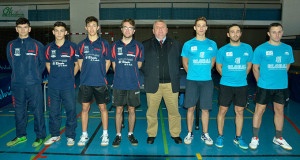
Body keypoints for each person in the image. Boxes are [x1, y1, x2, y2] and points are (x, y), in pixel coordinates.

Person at [249, 23, 294, 150]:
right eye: (274, 32)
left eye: (279, 32)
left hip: (281, 87)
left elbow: (287, 65)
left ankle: (278, 137)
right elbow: (255, 68)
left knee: (280, 111)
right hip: (264, 86)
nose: (277, 34)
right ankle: (255, 138)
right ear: (268, 34)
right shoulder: (260, 49)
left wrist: (278, 77)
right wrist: (260, 83)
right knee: (259, 111)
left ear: (282, 32)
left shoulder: (287, 48)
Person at [6, 17, 46, 147]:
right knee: (19, 112)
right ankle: (20, 136)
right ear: (16, 29)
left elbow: (42, 63)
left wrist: (35, 76)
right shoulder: (11, 45)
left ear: (29, 28)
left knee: (38, 111)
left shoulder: (37, 45)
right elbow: (11, 62)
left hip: (34, 84)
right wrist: (20, 76)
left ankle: (40, 137)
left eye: (25, 27)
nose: (23, 30)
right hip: (17, 85)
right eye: (20, 27)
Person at [142, 20, 182, 144]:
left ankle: (175, 134)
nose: (160, 30)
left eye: (162, 27)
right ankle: (151, 134)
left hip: (171, 84)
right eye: (157, 28)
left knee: (174, 111)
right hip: (153, 83)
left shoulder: (176, 44)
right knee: (151, 112)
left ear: (167, 30)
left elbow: (180, 62)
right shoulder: (145, 44)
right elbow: (142, 63)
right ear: (153, 31)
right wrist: (150, 73)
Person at [215, 24, 253, 149]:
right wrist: (227, 77)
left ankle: (238, 137)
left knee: (239, 111)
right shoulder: (222, 50)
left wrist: (241, 77)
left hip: (242, 85)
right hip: (226, 85)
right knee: (223, 110)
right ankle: (220, 136)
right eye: (232, 32)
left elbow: (249, 65)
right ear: (228, 34)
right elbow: (218, 67)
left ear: (240, 33)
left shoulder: (248, 48)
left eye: (237, 31)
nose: (235, 34)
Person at [181, 17, 217, 145]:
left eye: (203, 26)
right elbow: (185, 62)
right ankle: (189, 133)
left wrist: (205, 72)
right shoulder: (188, 44)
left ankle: (205, 134)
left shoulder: (212, 44)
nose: (201, 28)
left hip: (207, 81)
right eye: (199, 26)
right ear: (194, 28)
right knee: (191, 108)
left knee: (205, 109)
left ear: (206, 28)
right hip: (192, 81)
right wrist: (192, 73)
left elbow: (213, 61)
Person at [43, 22, 79, 146]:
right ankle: (55, 135)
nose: (59, 33)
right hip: (53, 86)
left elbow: (77, 65)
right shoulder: (48, 48)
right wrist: (54, 76)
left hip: (68, 86)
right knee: (53, 112)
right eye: (56, 30)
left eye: (61, 30)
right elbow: (48, 64)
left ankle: (70, 136)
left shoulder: (73, 47)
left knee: (71, 111)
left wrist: (70, 76)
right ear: (53, 32)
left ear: (66, 32)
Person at [109, 19, 144, 147]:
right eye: (125, 27)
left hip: (133, 84)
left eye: (130, 28)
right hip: (118, 84)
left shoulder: (139, 46)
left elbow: (139, 65)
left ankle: (130, 134)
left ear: (134, 30)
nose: (128, 30)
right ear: (121, 29)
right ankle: (118, 135)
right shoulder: (114, 46)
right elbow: (114, 66)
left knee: (131, 109)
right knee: (118, 110)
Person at [77, 16, 111, 146]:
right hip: (85, 82)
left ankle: (105, 134)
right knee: (85, 108)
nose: (91, 28)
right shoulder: (81, 44)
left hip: (100, 82)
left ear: (98, 28)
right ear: (86, 28)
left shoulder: (104, 43)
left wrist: (102, 73)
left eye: (94, 25)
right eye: (89, 25)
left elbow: (108, 61)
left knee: (103, 108)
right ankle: (84, 134)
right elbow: (80, 62)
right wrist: (85, 74)